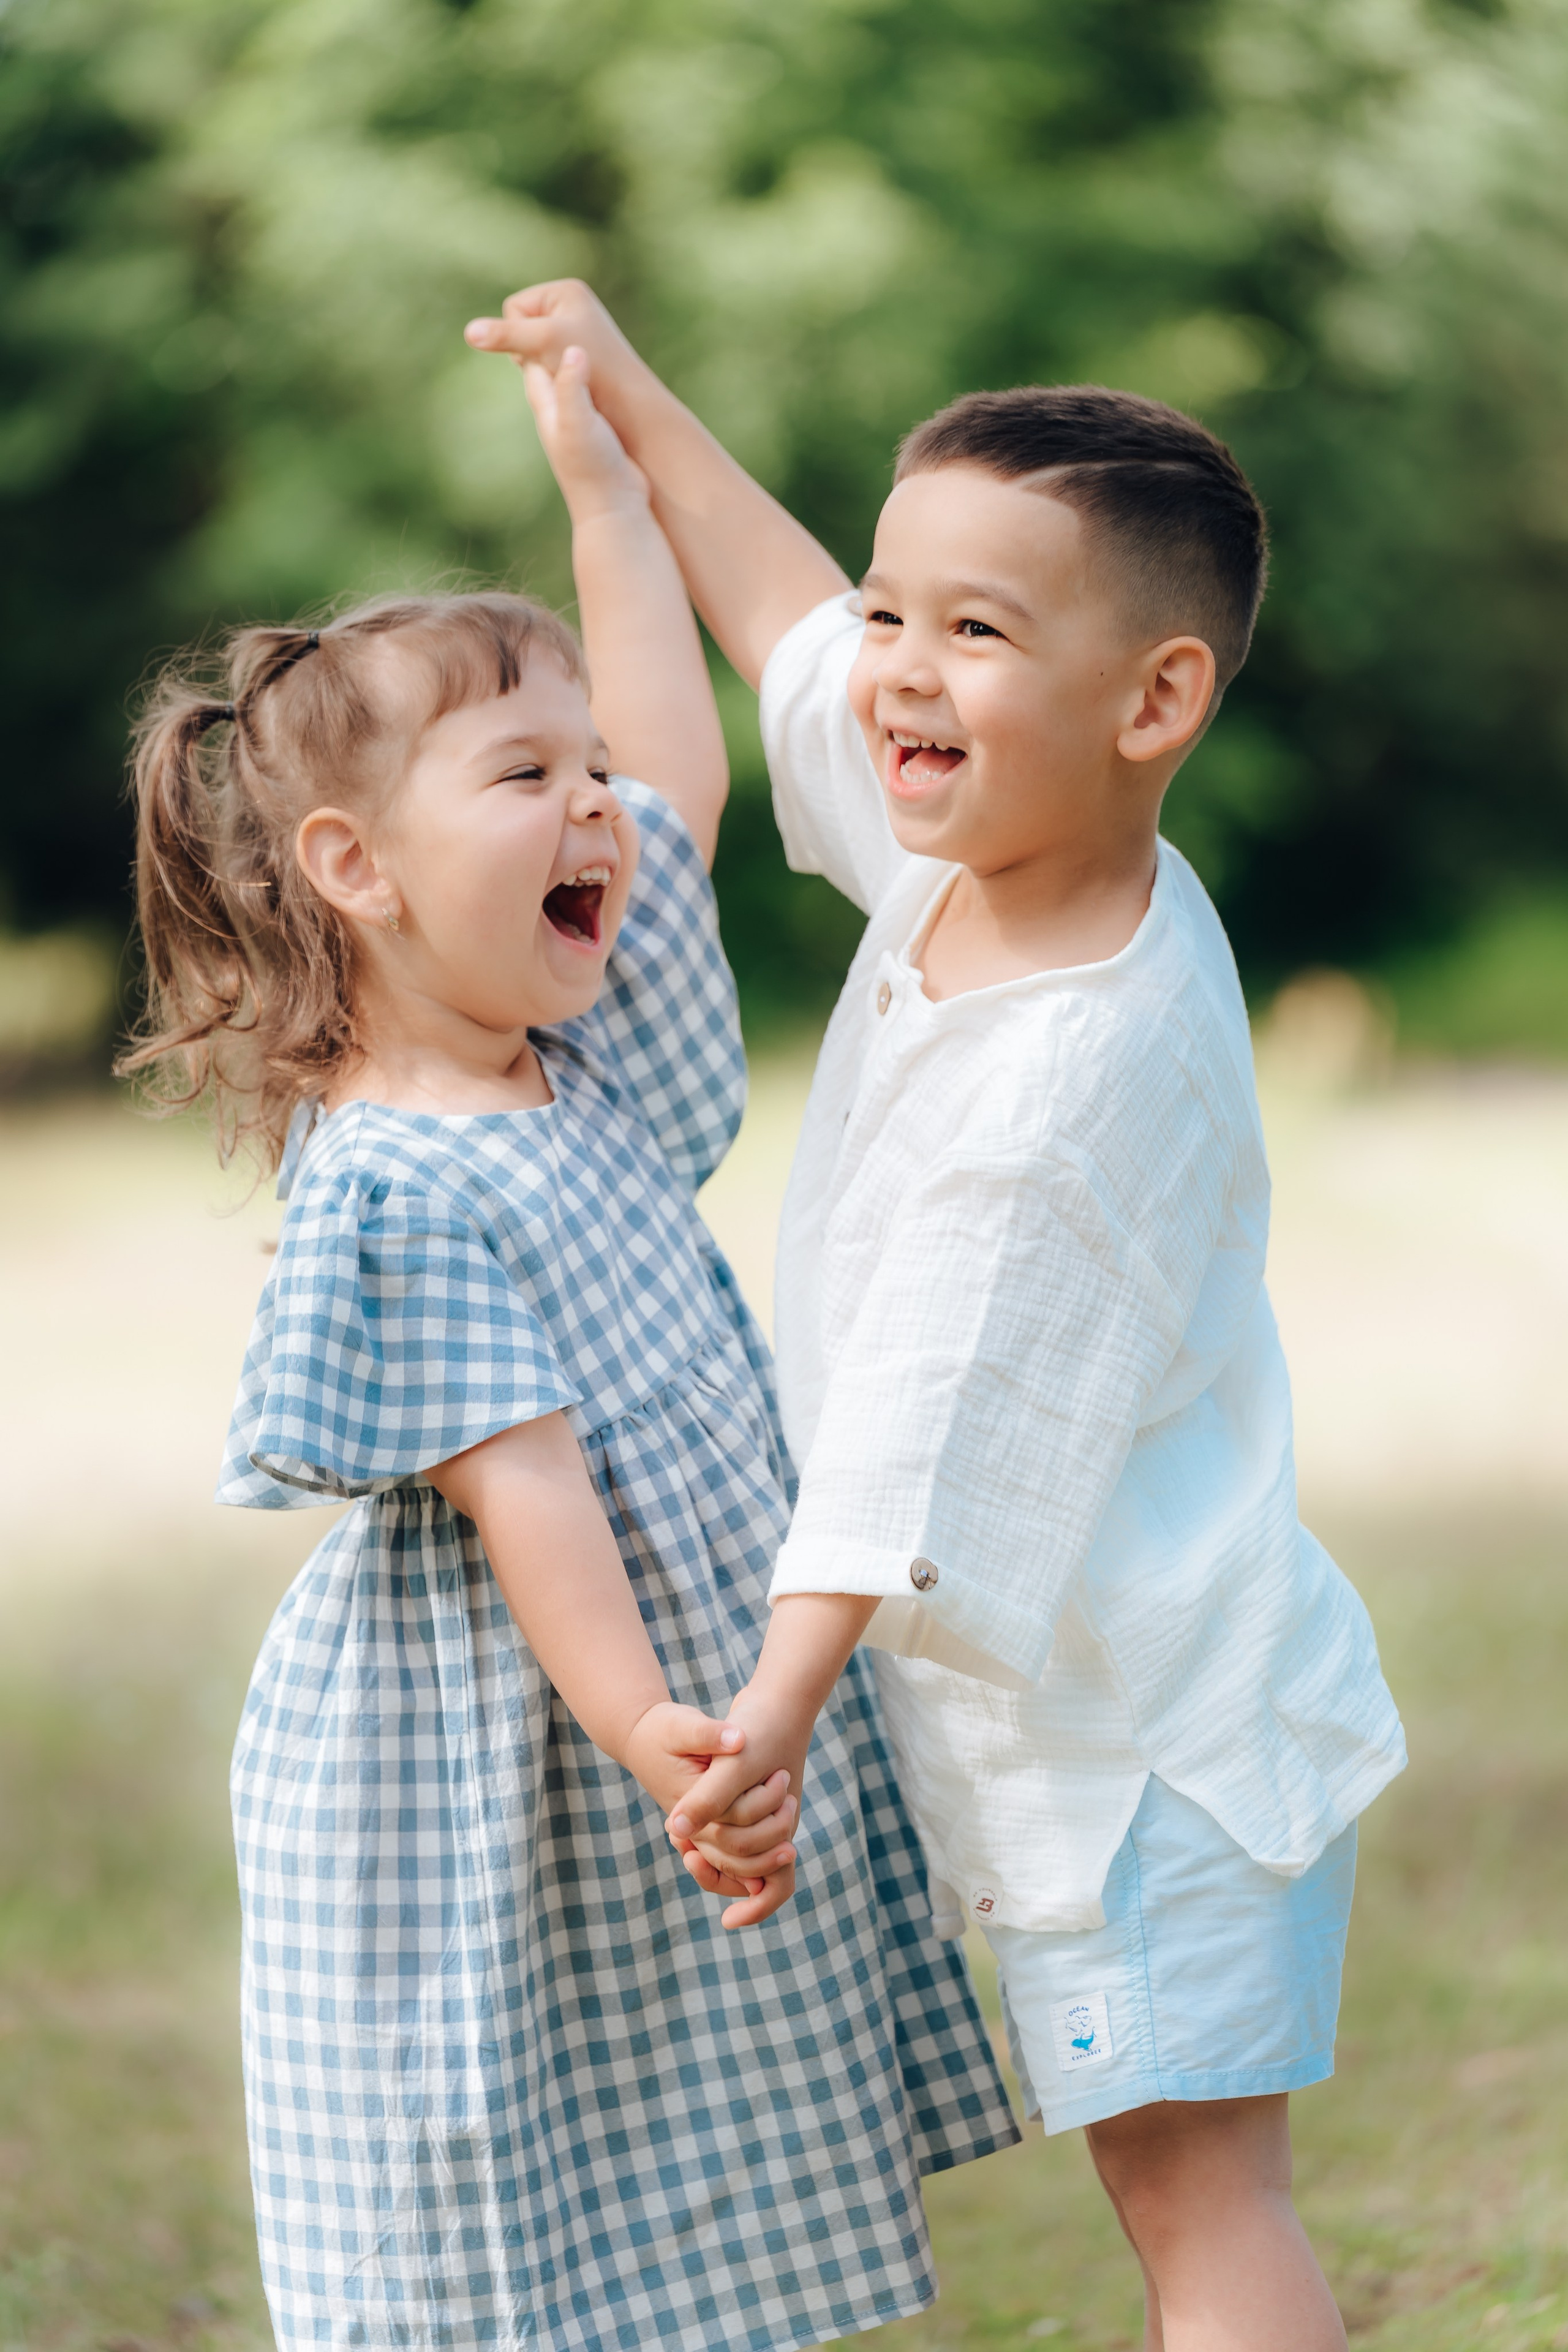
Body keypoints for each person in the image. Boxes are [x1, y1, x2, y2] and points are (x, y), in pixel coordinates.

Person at [469, 285, 1409, 2352]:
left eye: (974, 632)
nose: (896, 668)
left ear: (1156, 700)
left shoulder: (1065, 1079)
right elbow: (790, 619)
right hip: (1115, 1709)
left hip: (1154, 1751)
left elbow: (919, 1430)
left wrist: (772, 1721)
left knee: (1204, 2211)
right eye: (906, 612)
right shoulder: (991, 851)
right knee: (1179, 2192)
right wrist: (622, 399)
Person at [116, 345, 1016, 2352]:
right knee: (502, 2203)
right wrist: (644, 1729)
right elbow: (525, 1488)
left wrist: (608, 500)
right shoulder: (401, 1185)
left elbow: (678, 779)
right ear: (353, 870)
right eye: (526, 779)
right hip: (512, 1740)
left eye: (578, 770)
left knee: (693, 2164)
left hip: (665, 1697)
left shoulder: (580, 1067)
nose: (597, 806)